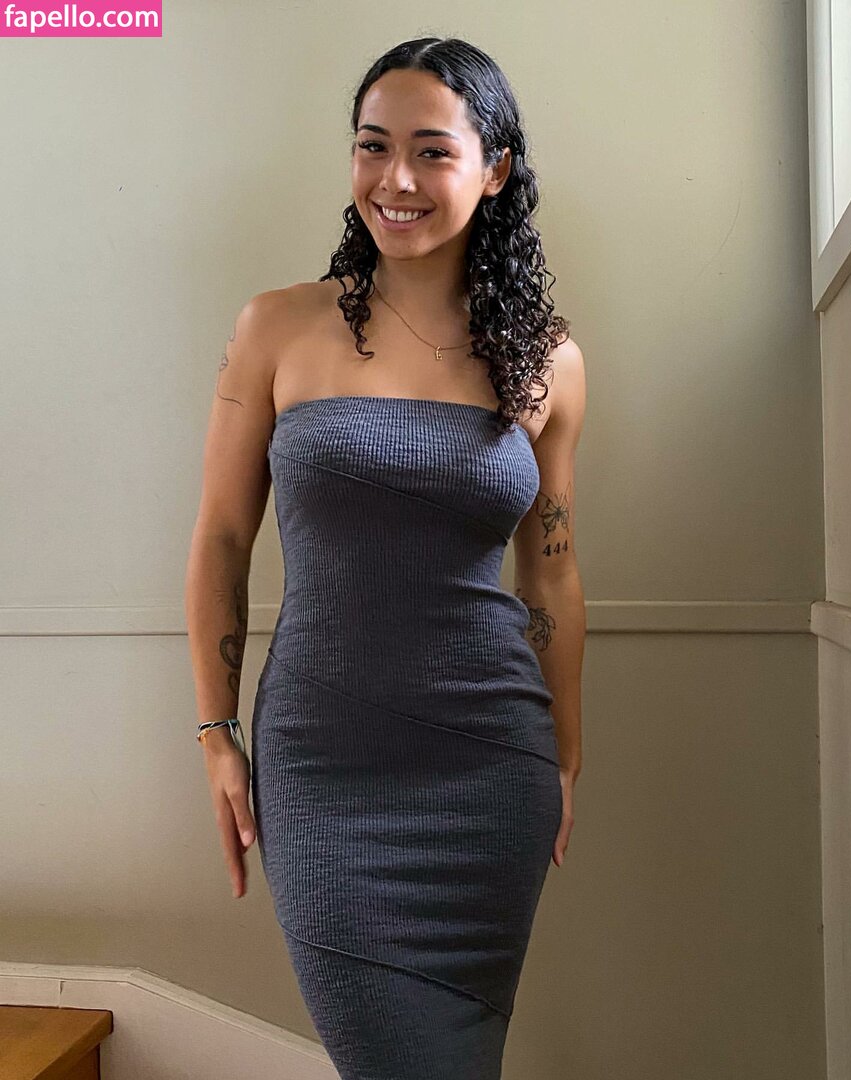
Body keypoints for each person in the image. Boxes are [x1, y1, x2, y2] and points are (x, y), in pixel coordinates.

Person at [185, 35, 587, 1080]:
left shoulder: (546, 363)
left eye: (431, 151)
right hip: (324, 762)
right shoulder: (277, 327)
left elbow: (551, 569)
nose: (395, 179)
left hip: (490, 765)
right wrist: (218, 734)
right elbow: (222, 537)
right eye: (373, 146)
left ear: (494, 169)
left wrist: (564, 757)